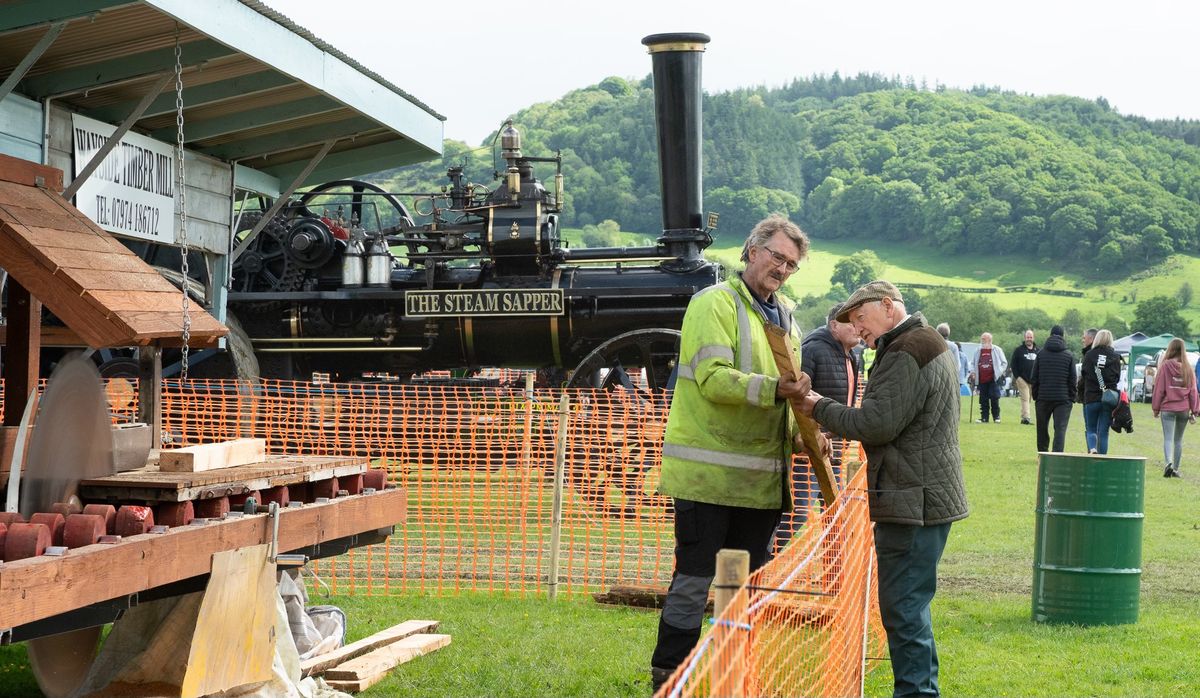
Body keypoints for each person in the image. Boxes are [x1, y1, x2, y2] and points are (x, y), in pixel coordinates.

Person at [650, 214, 822, 690]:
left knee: (743, 588)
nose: (782, 268)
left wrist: (803, 436)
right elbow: (713, 379)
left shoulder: (786, 318)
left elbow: (785, 401)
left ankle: (728, 674)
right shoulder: (714, 303)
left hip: (760, 485)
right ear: (752, 249)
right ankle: (670, 677)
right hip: (707, 479)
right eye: (776, 256)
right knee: (694, 582)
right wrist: (777, 390)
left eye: (791, 263)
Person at [797, 280, 968, 698]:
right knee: (911, 610)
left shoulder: (906, 350)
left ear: (888, 307)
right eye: (852, 323)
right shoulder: (927, 342)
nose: (858, 331)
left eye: (860, 319)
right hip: (924, 496)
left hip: (912, 500)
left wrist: (815, 406)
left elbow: (877, 424)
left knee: (904, 611)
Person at [771, 302, 860, 548]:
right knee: (797, 515)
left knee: (834, 513)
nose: (857, 328)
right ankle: (761, 564)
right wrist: (808, 435)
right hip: (809, 447)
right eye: (850, 323)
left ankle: (834, 576)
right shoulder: (813, 350)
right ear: (833, 325)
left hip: (834, 447)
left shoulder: (850, 355)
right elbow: (796, 396)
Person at [1151, 337, 1199, 478]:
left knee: (1168, 438)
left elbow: (1159, 389)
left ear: (1170, 349)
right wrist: (1195, 411)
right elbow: (1193, 391)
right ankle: (1176, 469)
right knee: (1178, 440)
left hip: (1167, 408)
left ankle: (1168, 464)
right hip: (1183, 409)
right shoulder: (1188, 368)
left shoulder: (1165, 366)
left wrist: (1156, 408)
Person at [1030, 325, 1076, 452]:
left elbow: (1034, 377)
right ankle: (1057, 456)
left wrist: (1036, 396)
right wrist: (1071, 397)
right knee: (1060, 429)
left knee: (1042, 428)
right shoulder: (1069, 355)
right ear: (1063, 336)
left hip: (1043, 397)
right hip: (1063, 398)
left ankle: (1042, 453)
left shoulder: (1040, 354)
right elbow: (1072, 379)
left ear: (1050, 335)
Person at [1080, 329, 1122, 454]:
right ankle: (1102, 458)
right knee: (1103, 432)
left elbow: (1084, 374)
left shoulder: (1089, 355)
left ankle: (1092, 448)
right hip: (1108, 398)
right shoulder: (1115, 357)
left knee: (1091, 428)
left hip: (1091, 397)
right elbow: (1117, 377)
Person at [969, 333, 1008, 423]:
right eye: (982, 339)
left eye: (984, 339)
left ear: (990, 340)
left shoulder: (997, 350)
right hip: (982, 378)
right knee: (983, 399)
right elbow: (972, 363)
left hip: (993, 378)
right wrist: (973, 372)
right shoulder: (978, 350)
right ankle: (984, 418)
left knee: (994, 398)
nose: (982, 341)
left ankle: (996, 417)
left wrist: (999, 372)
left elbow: (1004, 363)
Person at [1011, 330, 1039, 425]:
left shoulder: (1038, 351)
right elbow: (1013, 364)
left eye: (1031, 337)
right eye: (1027, 337)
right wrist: (1017, 377)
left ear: (1033, 338)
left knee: (1029, 399)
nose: (1029, 339)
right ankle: (1027, 418)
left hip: (1033, 380)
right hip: (1022, 379)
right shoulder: (1019, 350)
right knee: (1025, 398)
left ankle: (1024, 417)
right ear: (1025, 338)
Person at [936, 323, 966, 394]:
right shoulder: (953, 346)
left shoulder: (933, 343)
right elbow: (957, 365)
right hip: (949, 377)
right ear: (948, 333)